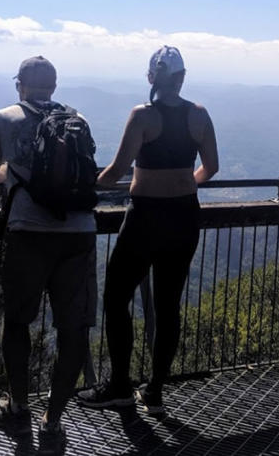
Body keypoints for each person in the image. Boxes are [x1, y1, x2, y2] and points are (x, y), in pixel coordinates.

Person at [77, 46, 219, 415]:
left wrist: (86, 184)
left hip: (145, 219)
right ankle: (154, 391)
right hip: (185, 217)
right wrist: (183, 183)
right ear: (183, 77)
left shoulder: (143, 115)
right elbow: (212, 167)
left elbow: (117, 169)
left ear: (152, 77)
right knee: (168, 305)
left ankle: (120, 385)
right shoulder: (199, 115)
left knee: (116, 299)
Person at [0, 56, 98, 455]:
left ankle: (18, 405)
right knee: (73, 329)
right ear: (55, 85)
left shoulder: (4, 118)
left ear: (20, 85)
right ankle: (54, 421)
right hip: (79, 233)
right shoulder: (77, 118)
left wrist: (13, 173)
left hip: (29, 233)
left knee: (17, 323)